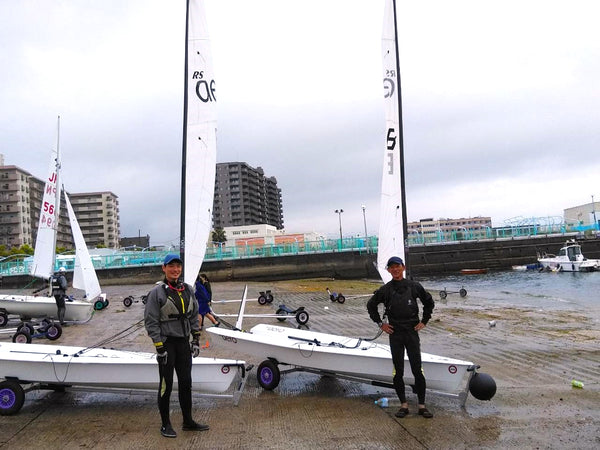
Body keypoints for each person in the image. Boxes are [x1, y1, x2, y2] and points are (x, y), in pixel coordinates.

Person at [144, 254, 209, 438]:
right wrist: (159, 347)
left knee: (186, 383)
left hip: (183, 343)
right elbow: (151, 322)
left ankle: (188, 421)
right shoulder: (157, 293)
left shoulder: (187, 289)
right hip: (166, 344)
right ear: (164, 268)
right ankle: (165, 424)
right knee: (166, 384)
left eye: (178, 266)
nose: (175, 269)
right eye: (171, 266)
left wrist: (195, 339)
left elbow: (193, 315)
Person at [366, 256, 435, 419]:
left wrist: (424, 321)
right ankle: (403, 405)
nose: (395, 269)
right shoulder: (386, 289)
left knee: (418, 369)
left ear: (403, 268)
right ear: (389, 270)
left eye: (398, 266)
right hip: (395, 333)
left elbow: (429, 302)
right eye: (392, 267)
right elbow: (371, 305)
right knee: (398, 371)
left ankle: (422, 406)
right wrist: (381, 324)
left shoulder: (414, 286)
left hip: (411, 332)